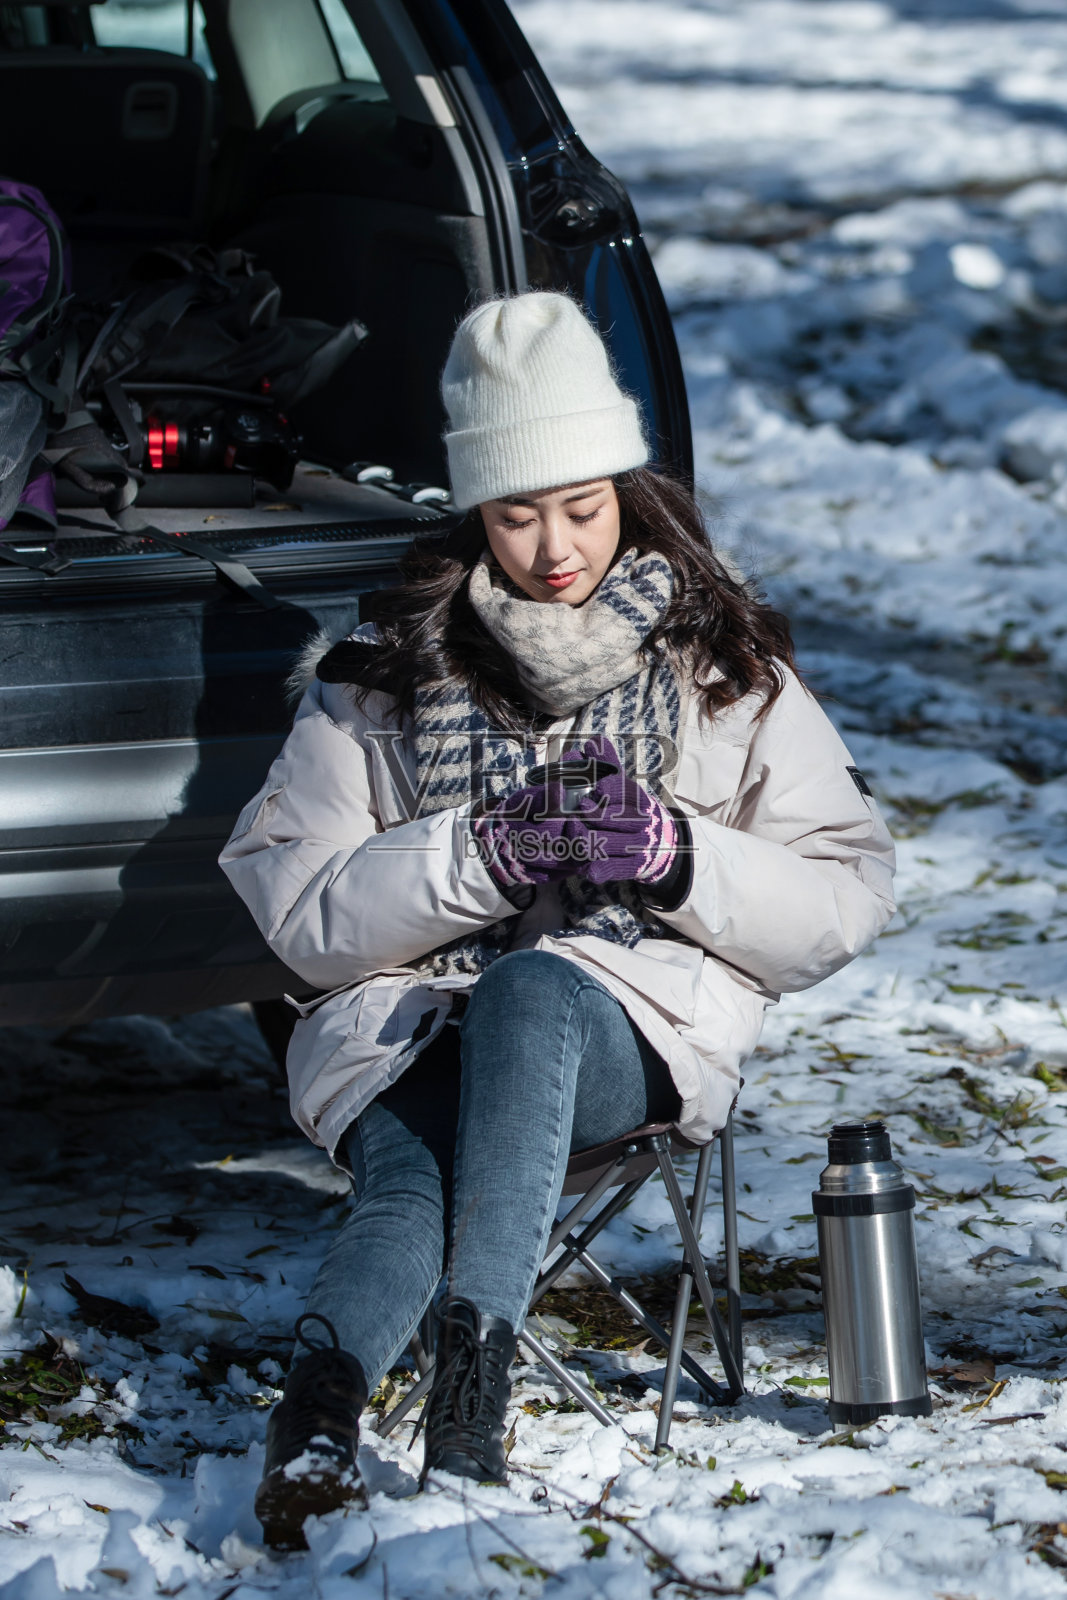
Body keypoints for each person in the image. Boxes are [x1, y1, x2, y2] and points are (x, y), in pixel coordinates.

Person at [220, 291, 895, 1548]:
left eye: (580, 505)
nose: (552, 547)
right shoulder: (381, 675)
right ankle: (317, 1417)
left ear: (626, 488)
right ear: (473, 511)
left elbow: (843, 894)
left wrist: (680, 855)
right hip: (414, 1028)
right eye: (516, 515)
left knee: (533, 991)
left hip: (626, 1029)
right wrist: (481, 850)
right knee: (412, 1171)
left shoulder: (718, 663)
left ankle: (469, 1397)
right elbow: (300, 916)